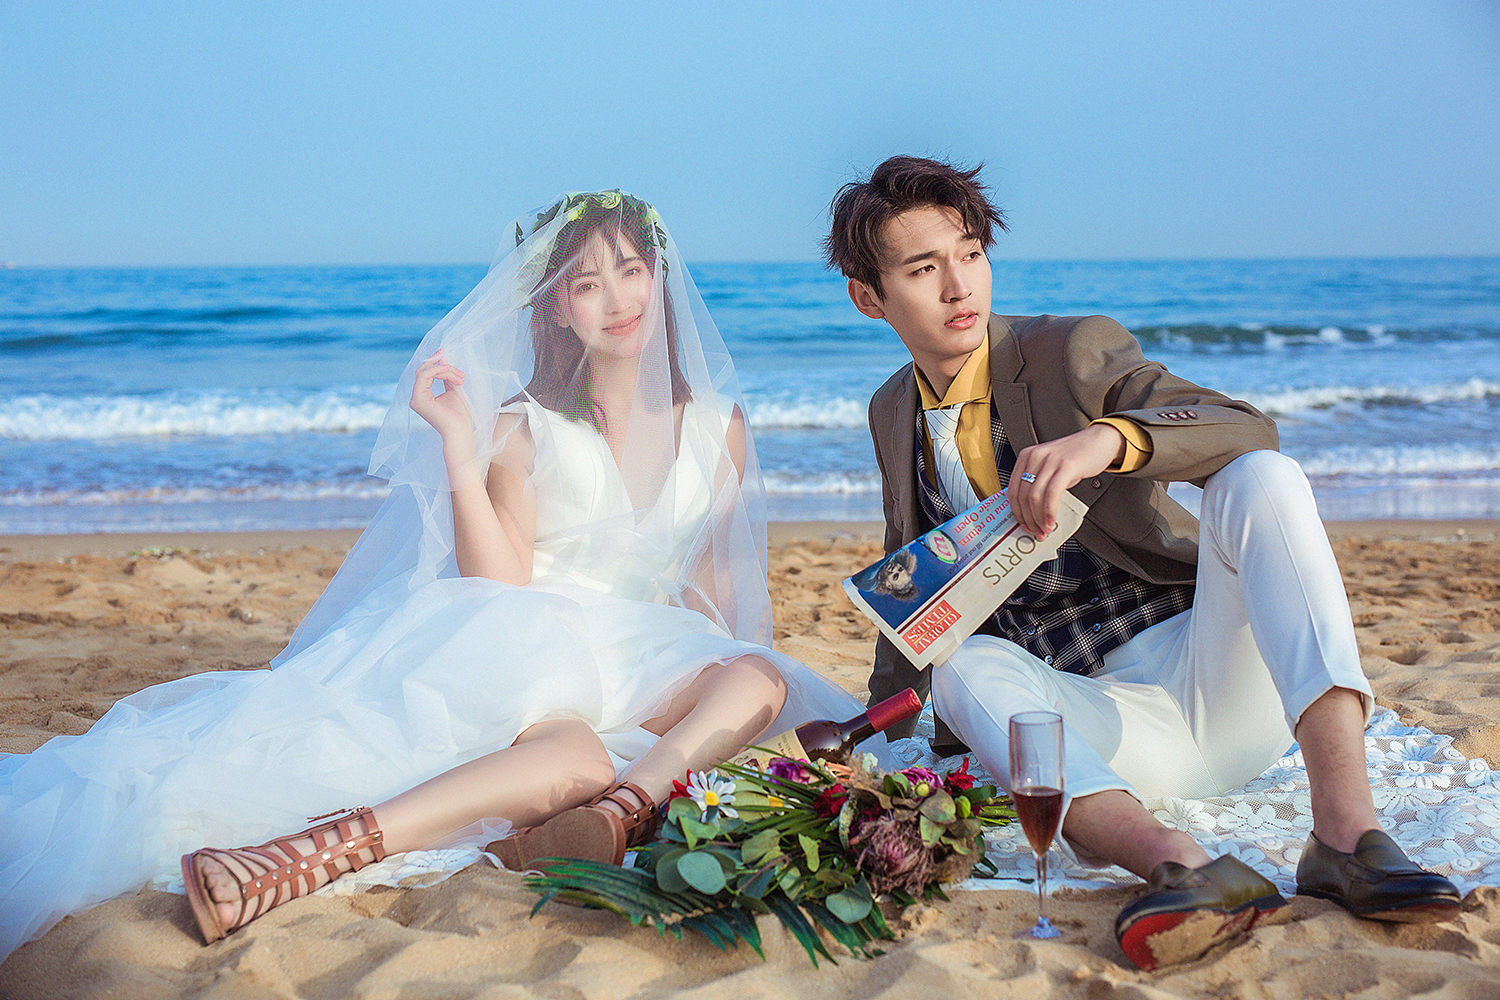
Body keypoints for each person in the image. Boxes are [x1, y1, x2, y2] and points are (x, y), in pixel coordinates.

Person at [0, 191, 882, 957]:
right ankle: (301, 857)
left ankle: (624, 809)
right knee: (573, 754)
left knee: (757, 677)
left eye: (630, 270)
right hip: (530, 638)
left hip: (644, 651)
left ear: (659, 275)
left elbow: (716, 592)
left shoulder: (720, 427)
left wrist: (707, 693)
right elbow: (497, 582)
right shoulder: (525, 428)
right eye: (586, 283)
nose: (618, 299)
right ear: (556, 308)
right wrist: (460, 449)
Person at [823, 157, 1462, 971]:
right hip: (1101, 732)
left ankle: (1346, 834)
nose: (959, 287)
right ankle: (1182, 867)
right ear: (869, 297)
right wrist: (876, 737)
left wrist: (1109, 439)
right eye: (923, 269)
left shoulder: (1067, 350)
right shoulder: (892, 410)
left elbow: (1242, 425)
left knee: (1261, 478)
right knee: (964, 667)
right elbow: (911, 581)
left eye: (971, 254)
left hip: (1212, 673)